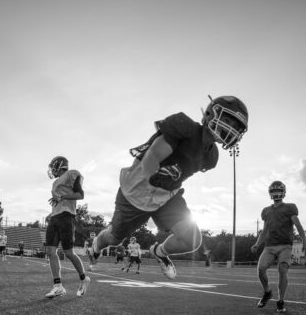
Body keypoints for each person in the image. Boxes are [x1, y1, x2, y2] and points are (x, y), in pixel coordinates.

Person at [86, 95, 249, 279]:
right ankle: (96, 246)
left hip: (166, 196)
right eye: (227, 120)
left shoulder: (212, 157)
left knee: (191, 238)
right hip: (138, 190)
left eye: (236, 127)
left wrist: (167, 181)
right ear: (211, 113)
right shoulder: (186, 127)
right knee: (114, 238)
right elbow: (152, 156)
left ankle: (160, 252)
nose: (230, 129)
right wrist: (157, 175)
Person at [251, 181, 306, 313]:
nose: (276, 193)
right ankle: (267, 292)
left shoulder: (290, 208)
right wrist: (257, 244)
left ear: (284, 192)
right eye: (273, 191)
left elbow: (298, 226)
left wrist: (304, 242)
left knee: (282, 269)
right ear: (270, 193)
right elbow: (264, 231)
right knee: (260, 269)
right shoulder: (266, 211)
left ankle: (280, 301)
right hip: (269, 246)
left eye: (279, 190)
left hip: (285, 245)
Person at [44, 156, 90, 298]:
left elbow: (80, 195)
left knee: (68, 252)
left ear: (59, 165)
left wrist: (63, 197)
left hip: (67, 216)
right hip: (55, 217)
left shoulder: (71, 173)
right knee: (51, 251)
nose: (51, 169)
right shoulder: (55, 183)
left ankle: (84, 279)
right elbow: (57, 201)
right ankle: (58, 286)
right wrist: (50, 214)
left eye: (53, 165)